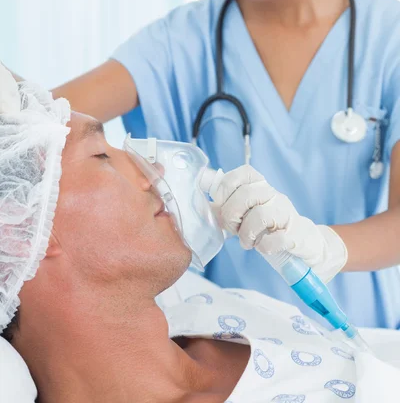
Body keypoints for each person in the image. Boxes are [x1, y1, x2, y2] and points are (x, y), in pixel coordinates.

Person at [13, 0, 400, 329]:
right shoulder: (178, 43)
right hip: (235, 345)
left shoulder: (390, 39)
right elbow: (34, 123)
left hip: (368, 340)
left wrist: (322, 244)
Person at [1, 66, 399, 403]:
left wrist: (330, 246)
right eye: (102, 155)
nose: (152, 172)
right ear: (20, 230)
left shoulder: (210, 309)